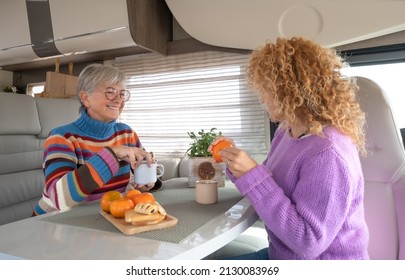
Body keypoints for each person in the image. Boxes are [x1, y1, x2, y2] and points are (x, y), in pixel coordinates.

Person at [208, 37, 369, 260]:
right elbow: (269, 186)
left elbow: (309, 242)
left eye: (266, 89)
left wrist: (253, 174)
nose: (262, 97)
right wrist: (236, 161)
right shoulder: (287, 131)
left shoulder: (329, 153)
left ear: (293, 91)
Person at [34, 64, 160, 216]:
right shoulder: (61, 138)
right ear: (85, 98)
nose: (118, 100)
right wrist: (113, 153)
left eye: (122, 93)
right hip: (54, 221)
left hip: (104, 216)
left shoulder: (127, 133)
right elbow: (59, 199)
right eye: (110, 92)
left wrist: (146, 184)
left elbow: (144, 173)